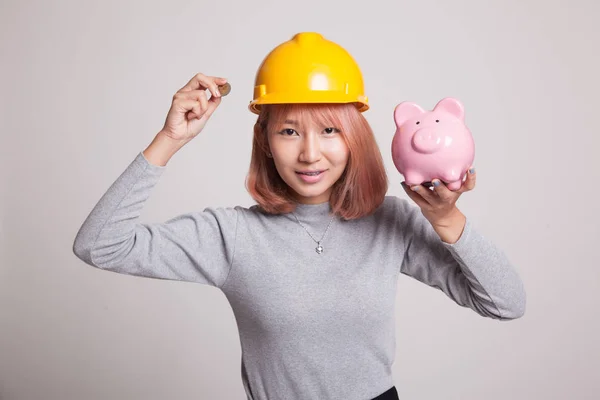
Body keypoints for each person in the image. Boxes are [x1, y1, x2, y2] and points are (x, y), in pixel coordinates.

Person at [73, 32, 526, 400]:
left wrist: (447, 220)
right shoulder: (232, 235)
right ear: (266, 141)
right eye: (289, 131)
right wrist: (169, 138)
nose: (310, 153)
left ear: (354, 138)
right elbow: (99, 244)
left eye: (330, 130)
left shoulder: (389, 221)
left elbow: (505, 303)